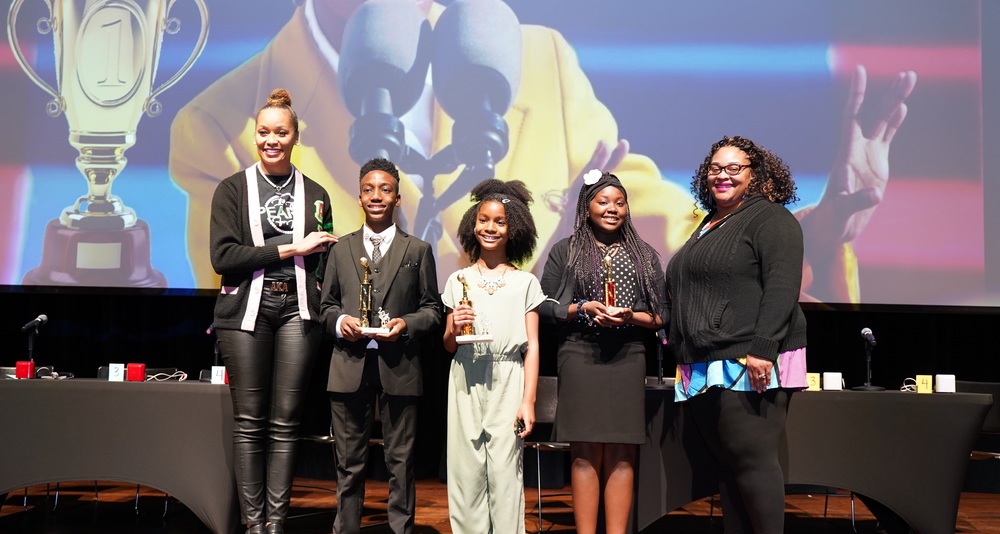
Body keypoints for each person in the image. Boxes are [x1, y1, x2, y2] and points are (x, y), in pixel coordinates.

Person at [169, 1, 915, 302]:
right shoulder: (220, 129)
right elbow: (261, 296)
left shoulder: (541, 60)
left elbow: (667, 232)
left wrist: (804, 234)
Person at [668, 136, 809, 534]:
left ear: (757, 174)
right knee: (726, 461)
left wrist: (763, 348)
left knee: (752, 458)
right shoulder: (709, 222)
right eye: (714, 167)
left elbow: (783, 287)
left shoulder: (771, 219)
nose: (722, 174)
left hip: (750, 358)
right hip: (707, 360)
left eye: (734, 167)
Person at [209, 88, 337, 534]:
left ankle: (278, 531)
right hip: (246, 311)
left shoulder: (317, 193)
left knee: (286, 424)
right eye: (263, 132)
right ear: (254, 134)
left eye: (280, 132)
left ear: (295, 137)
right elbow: (225, 257)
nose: (270, 140)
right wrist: (290, 248)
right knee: (250, 422)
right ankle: (253, 532)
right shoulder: (232, 190)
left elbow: (322, 257)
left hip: (296, 310)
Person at [317, 157, 442, 534]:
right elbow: (325, 305)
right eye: (369, 189)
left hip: (399, 365)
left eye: (385, 189)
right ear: (359, 195)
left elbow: (432, 310)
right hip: (348, 364)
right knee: (348, 464)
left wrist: (407, 324)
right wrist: (339, 322)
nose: (376, 196)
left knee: (400, 462)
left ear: (397, 197)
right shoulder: (340, 249)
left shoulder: (418, 251)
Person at [539, 170, 664, 534]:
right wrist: (581, 308)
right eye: (602, 201)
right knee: (585, 453)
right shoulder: (567, 251)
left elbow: (661, 314)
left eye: (619, 202)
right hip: (580, 354)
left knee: (623, 454)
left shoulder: (644, 255)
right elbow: (546, 306)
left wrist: (631, 316)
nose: (612, 209)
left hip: (628, 355)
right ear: (586, 207)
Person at [442, 179, 545, 534]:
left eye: (499, 221)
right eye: (483, 220)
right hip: (464, 376)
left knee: (504, 477)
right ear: (472, 225)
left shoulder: (524, 283)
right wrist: (452, 325)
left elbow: (533, 345)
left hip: (508, 377)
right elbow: (449, 344)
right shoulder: (457, 280)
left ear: (513, 228)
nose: (491, 228)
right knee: (466, 477)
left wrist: (528, 399)